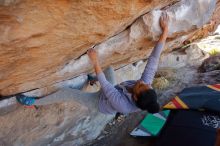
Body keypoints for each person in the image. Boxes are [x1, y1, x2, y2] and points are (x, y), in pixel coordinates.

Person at [16, 12, 169, 115]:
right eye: (146, 84)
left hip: (99, 103)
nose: (142, 81)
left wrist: (95, 61)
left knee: (69, 93)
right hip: (109, 93)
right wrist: (165, 32)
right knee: (108, 69)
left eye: (141, 85)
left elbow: (107, 87)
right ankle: (91, 79)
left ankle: (33, 102)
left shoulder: (124, 105)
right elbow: (153, 61)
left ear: (135, 98)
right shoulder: (145, 87)